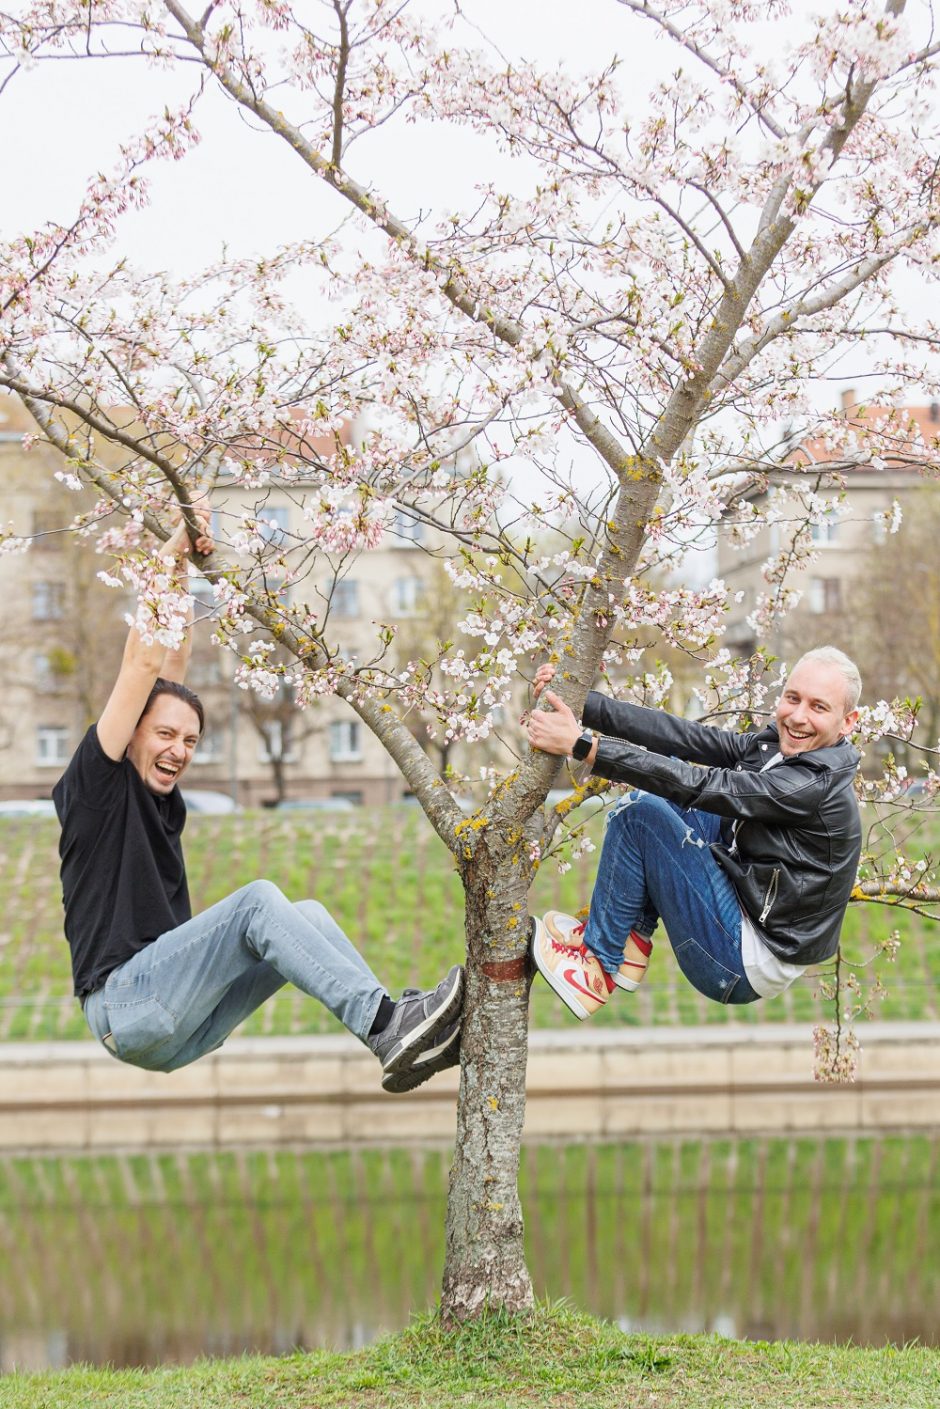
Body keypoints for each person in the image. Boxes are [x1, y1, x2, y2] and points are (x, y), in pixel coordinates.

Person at [53, 507, 462, 1094]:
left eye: (190, 740)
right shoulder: (96, 781)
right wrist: (164, 559)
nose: (179, 750)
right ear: (130, 731)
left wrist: (188, 572)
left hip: (177, 1028)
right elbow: (144, 663)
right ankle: (387, 1026)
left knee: (308, 917)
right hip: (126, 1003)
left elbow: (171, 664)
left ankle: (405, 1033)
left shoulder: (159, 796)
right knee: (257, 903)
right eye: (165, 736)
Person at [525, 648, 863, 1016]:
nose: (798, 717)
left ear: (848, 722)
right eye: (792, 698)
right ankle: (631, 939)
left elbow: (702, 786)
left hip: (742, 959)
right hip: (744, 896)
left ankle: (595, 967)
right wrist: (584, 705)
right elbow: (686, 738)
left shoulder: (810, 786)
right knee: (661, 781)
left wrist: (582, 746)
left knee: (640, 818)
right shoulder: (776, 749)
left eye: (818, 707)